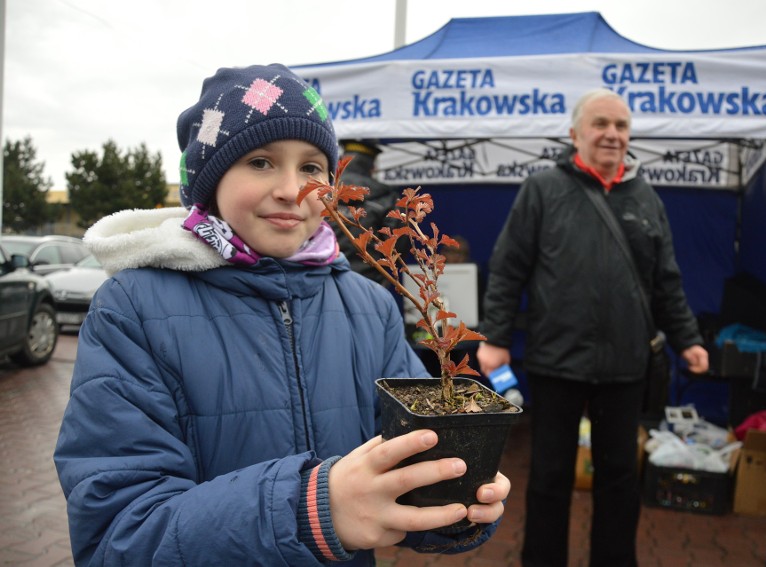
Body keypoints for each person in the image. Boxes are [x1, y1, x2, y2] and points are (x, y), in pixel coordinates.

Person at [53, 63, 510, 567]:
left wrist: (448, 508)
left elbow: (404, 469)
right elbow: (118, 536)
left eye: (313, 167)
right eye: (261, 162)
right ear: (208, 180)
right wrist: (311, 513)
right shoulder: (133, 309)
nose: (293, 190)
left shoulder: (371, 307)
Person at [476, 88, 708, 567]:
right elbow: (508, 268)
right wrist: (495, 338)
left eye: (621, 126)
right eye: (601, 124)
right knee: (550, 476)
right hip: (556, 360)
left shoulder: (645, 197)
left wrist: (688, 339)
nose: (612, 134)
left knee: (620, 478)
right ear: (575, 133)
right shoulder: (542, 190)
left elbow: (666, 280)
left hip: (625, 365)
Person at [335, 139, 400, 284]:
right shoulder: (386, 197)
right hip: (369, 281)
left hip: (325, 277)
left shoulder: (323, 193)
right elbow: (398, 245)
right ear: (370, 166)